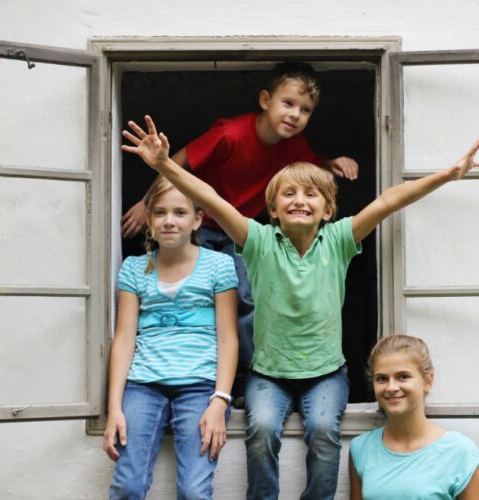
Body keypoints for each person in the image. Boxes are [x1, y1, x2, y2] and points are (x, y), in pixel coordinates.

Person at [121, 114, 479, 500]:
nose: (299, 200)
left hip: (325, 373)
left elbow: (388, 201)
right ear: (273, 209)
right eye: (289, 194)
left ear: (327, 210)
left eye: (311, 194)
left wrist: (447, 175)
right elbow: (210, 199)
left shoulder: (339, 239)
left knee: (324, 432)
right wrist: (164, 165)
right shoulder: (258, 241)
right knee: (261, 431)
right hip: (269, 373)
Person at [120, 62, 358, 402]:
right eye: (288, 103)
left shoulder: (296, 146)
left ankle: (246, 378)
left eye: (305, 110)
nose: (295, 115)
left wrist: (330, 165)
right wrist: (147, 203)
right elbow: (180, 160)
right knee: (200, 297)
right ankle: (198, 377)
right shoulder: (231, 133)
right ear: (265, 100)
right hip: (200, 226)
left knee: (248, 298)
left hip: (241, 233)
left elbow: (311, 170)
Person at [103, 175, 239, 499]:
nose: (169, 221)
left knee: (193, 491)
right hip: (143, 385)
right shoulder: (134, 268)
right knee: (127, 485)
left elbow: (228, 339)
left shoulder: (219, 266)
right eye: (160, 212)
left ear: (197, 220)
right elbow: (124, 339)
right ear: (149, 219)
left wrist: (220, 401)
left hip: (200, 386)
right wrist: (114, 408)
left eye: (179, 212)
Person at [349, 335, 479, 500]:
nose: (391, 387)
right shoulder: (361, 448)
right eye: (382, 379)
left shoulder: (461, 453)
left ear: (427, 381)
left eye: (403, 376)